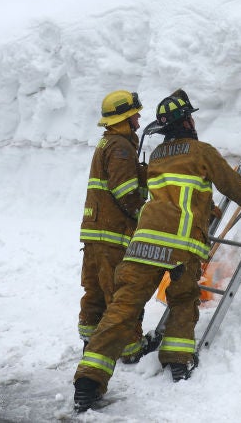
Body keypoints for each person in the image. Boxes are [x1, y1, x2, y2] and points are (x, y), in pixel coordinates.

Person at [72, 89, 241, 412]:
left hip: (143, 244)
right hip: (182, 245)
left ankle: (88, 381)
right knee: (183, 300)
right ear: (189, 122)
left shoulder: (156, 157)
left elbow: (174, 193)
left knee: (122, 309)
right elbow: (232, 186)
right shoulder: (202, 152)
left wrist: (204, 205)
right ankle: (178, 361)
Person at [77, 90, 158, 364]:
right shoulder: (121, 148)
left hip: (95, 232)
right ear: (126, 116)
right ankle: (131, 348)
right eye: (136, 113)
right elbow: (125, 191)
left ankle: (91, 340)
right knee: (122, 294)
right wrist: (143, 215)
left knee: (96, 292)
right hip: (112, 235)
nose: (139, 117)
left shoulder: (107, 143)